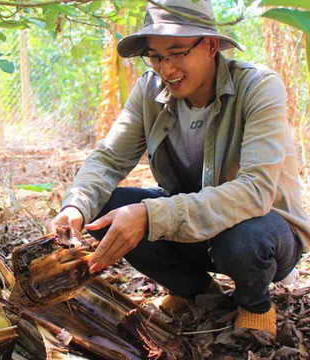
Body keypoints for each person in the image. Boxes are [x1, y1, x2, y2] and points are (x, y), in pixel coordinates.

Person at [46, 0, 310, 338]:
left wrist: (151, 215)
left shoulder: (258, 87)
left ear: (211, 45)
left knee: (246, 240)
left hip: (265, 229)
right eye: (156, 57)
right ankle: (196, 293)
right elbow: (109, 159)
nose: (166, 69)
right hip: (193, 221)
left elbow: (255, 192)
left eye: (177, 53)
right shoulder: (149, 90)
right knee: (101, 207)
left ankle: (254, 303)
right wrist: (74, 206)